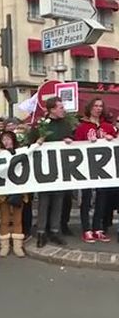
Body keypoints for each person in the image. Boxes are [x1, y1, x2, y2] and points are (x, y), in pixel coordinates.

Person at [32, 97, 74, 248]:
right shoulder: (40, 125)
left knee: (58, 200)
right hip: (44, 169)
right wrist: (39, 142)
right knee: (44, 202)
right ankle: (41, 232)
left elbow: (73, 139)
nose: (63, 110)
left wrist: (70, 140)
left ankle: (55, 231)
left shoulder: (65, 124)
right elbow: (30, 143)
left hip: (60, 169)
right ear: (52, 110)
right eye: (61, 107)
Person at [74, 98, 117, 243]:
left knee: (102, 198)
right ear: (90, 108)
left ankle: (98, 228)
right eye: (95, 106)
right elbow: (75, 146)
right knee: (86, 199)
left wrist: (112, 138)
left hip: (104, 170)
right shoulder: (82, 127)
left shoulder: (108, 126)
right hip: (86, 168)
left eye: (100, 106)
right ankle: (86, 229)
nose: (98, 109)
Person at [0, 131, 27, 258]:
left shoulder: (21, 152)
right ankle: (4, 246)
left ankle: (17, 246)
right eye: (4, 139)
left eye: (9, 139)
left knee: (17, 219)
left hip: (18, 190)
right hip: (3, 191)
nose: (7, 142)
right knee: (4, 219)